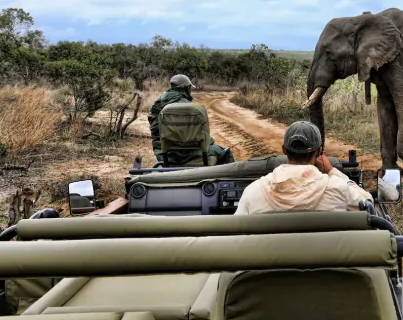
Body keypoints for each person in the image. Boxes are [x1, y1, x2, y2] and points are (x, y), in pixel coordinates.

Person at [234, 121, 373, 215]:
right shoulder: (338, 189)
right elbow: (368, 203)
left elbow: (236, 234)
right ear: (319, 152)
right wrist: (332, 171)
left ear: (284, 150)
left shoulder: (253, 191)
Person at [147, 74, 234, 166]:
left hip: (164, 155)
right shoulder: (190, 107)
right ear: (186, 89)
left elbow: (155, 132)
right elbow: (203, 137)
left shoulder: (156, 107)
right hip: (191, 155)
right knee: (225, 153)